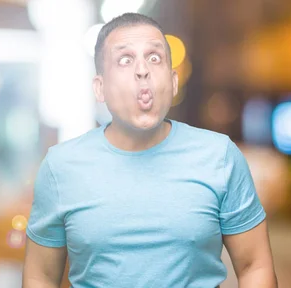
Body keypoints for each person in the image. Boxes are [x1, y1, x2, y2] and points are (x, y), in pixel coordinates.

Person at [22, 13, 277, 288]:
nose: (142, 70)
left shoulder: (221, 156)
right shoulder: (61, 167)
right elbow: (41, 276)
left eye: (154, 58)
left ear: (174, 81)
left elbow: (254, 266)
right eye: (125, 59)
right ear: (100, 87)